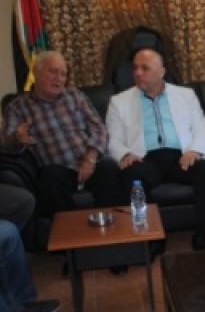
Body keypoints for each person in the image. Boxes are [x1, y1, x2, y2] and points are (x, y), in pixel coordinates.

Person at [106, 48, 205, 251]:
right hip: (144, 158)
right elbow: (113, 139)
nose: (138, 73)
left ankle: (202, 235)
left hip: (181, 156)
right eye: (135, 68)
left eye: (145, 68)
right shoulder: (119, 101)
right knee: (131, 176)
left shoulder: (186, 95)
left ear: (162, 72)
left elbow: (201, 129)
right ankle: (154, 239)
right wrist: (125, 154)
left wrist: (194, 151)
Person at [2, 51, 123, 217]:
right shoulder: (18, 107)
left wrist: (90, 158)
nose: (58, 78)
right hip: (58, 169)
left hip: (89, 161)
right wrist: (16, 138)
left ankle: (113, 226)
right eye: (52, 71)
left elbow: (99, 128)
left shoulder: (75, 96)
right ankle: (69, 230)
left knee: (109, 169)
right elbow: (5, 145)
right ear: (36, 71)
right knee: (50, 179)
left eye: (63, 74)